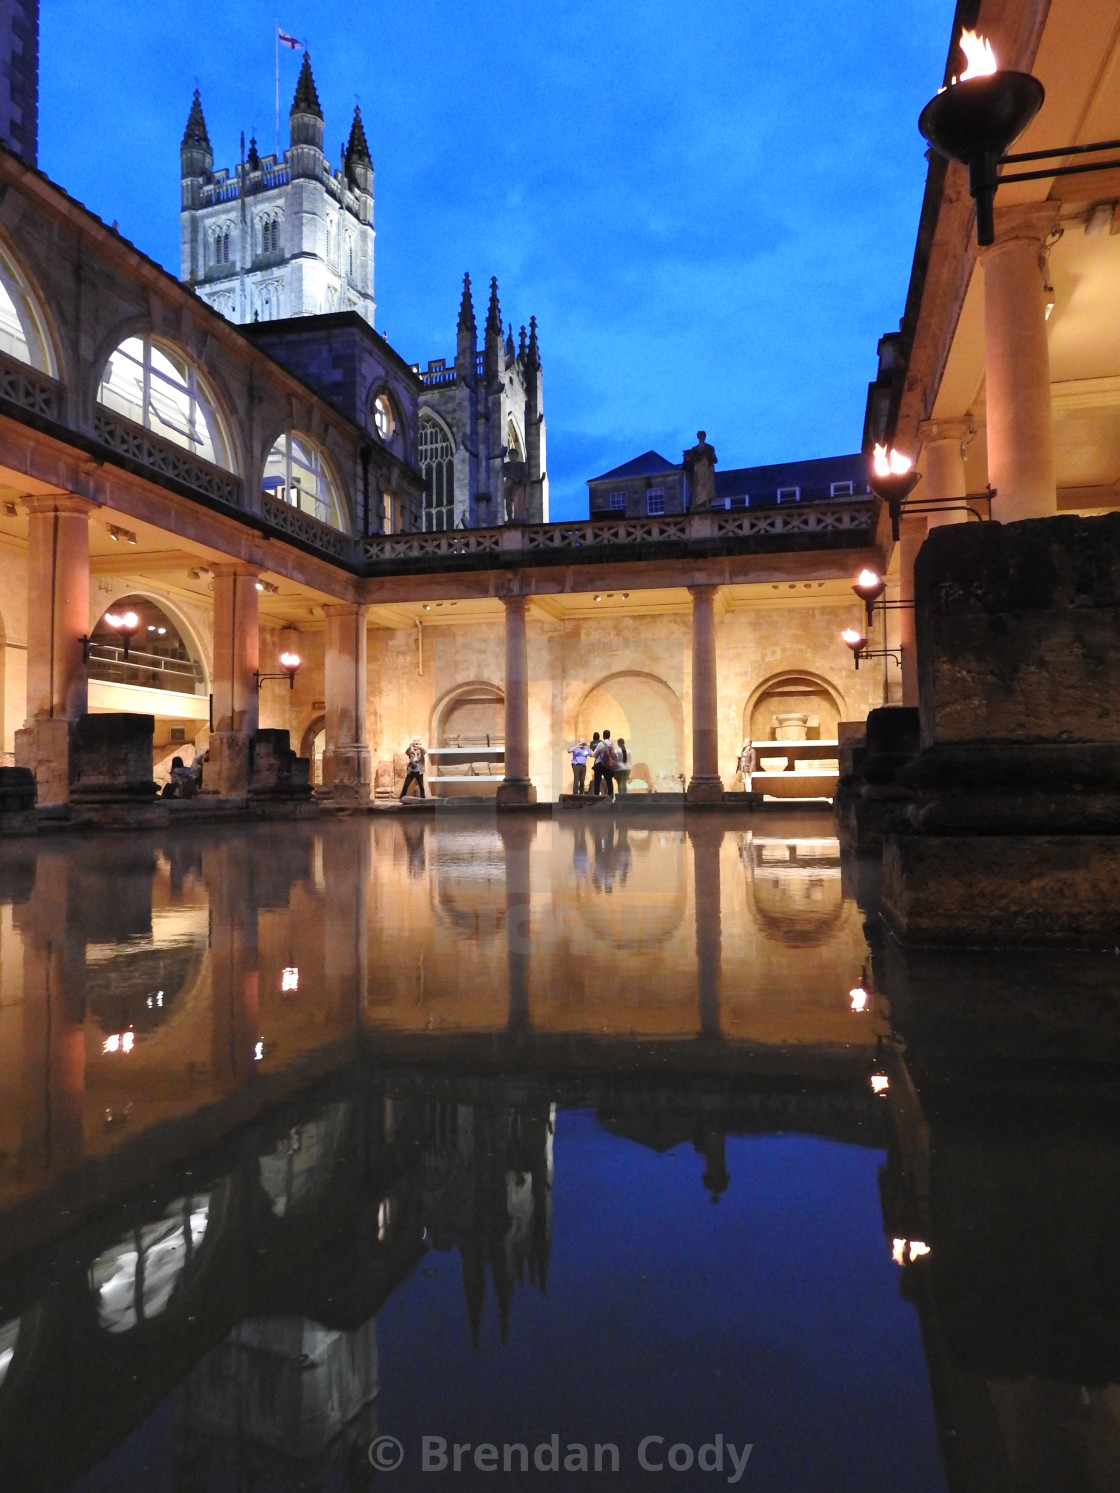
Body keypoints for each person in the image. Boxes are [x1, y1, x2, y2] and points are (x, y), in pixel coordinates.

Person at [592, 729, 616, 799]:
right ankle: (611, 796)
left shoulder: (601, 744)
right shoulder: (611, 744)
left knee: (597, 781)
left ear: (603, 736)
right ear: (609, 736)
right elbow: (614, 754)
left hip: (600, 764)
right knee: (609, 781)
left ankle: (596, 796)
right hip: (608, 765)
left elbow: (594, 754)